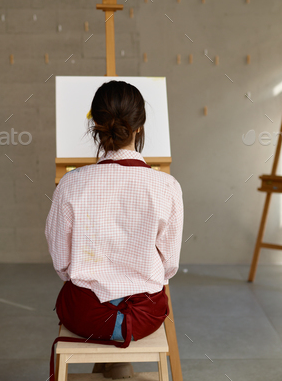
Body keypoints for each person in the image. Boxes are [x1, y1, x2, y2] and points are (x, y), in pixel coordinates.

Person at [45, 80, 184, 379]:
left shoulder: (71, 184)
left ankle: (112, 363)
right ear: (140, 125)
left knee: (82, 299)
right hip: (144, 315)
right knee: (131, 314)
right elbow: (169, 267)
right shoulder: (167, 187)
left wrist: (99, 276)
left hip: (87, 315)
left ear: (95, 123)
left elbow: (62, 264)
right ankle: (118, 366)